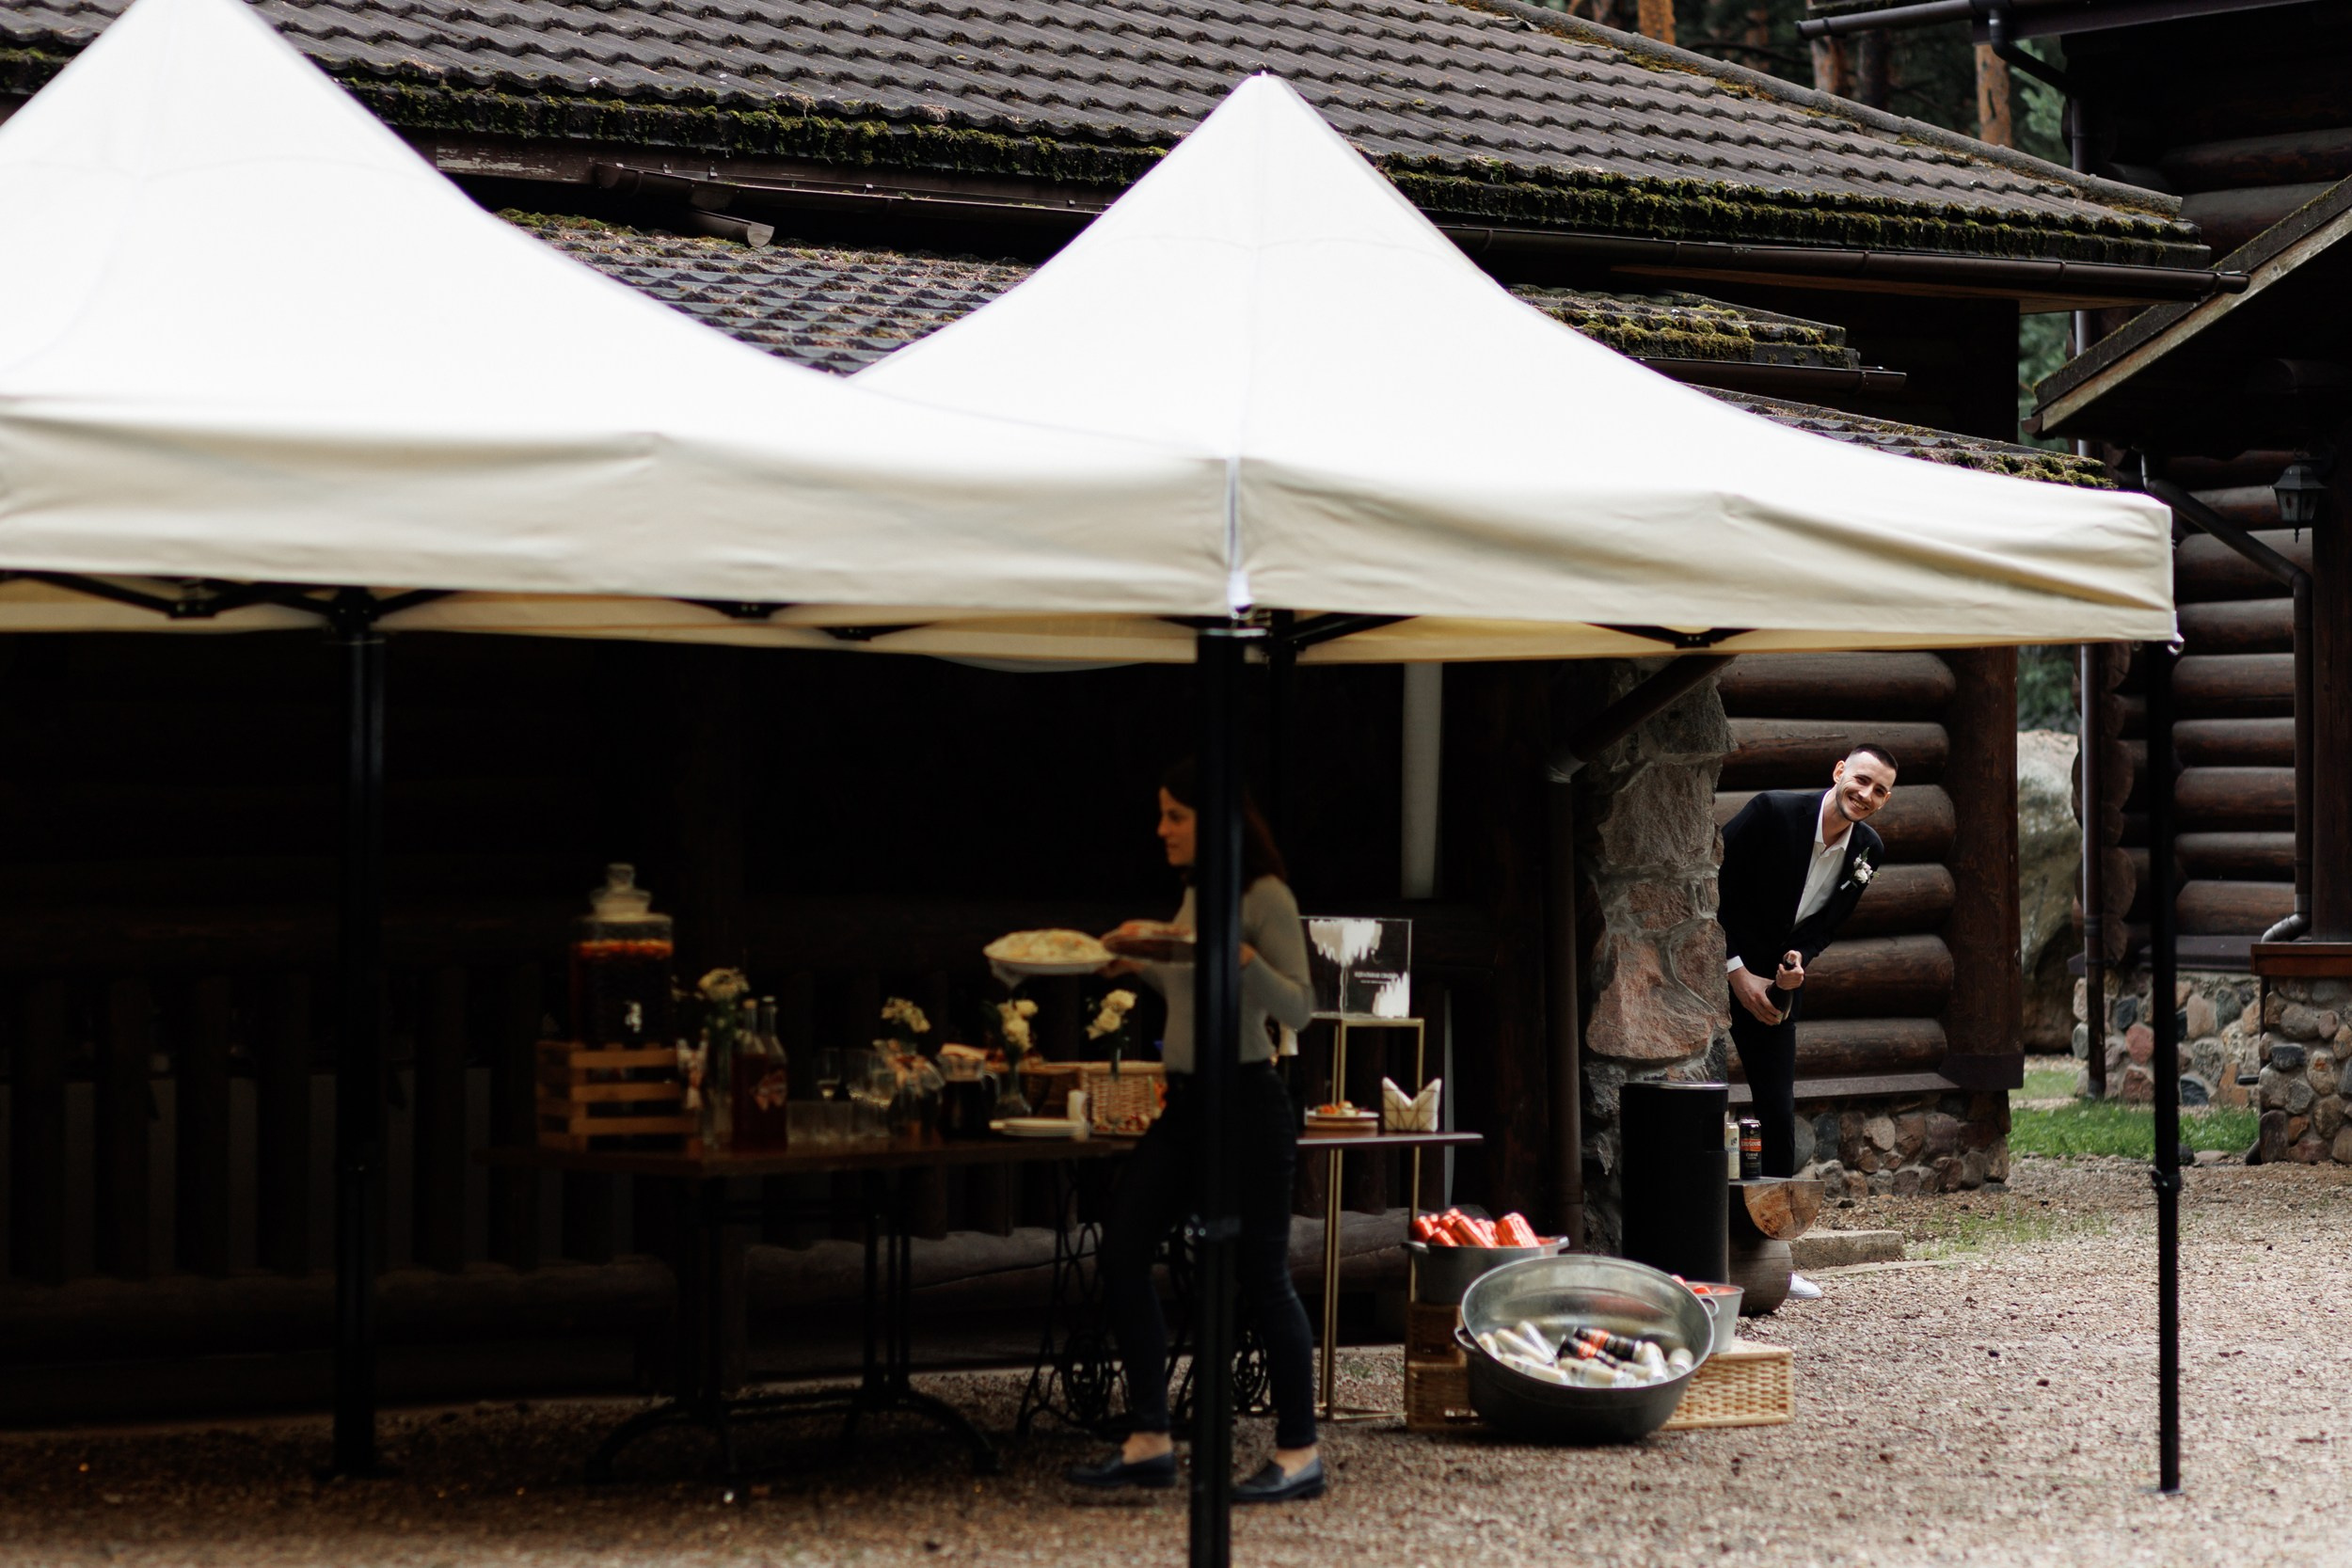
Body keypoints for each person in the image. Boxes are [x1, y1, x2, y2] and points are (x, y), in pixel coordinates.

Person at [1067, 760, 1322, 1503]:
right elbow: (1188, 983)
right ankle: (1150, 1438)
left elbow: (1301, 1007)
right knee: (1120, 1245)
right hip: (1186, 1102)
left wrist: (1245, 961)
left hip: (1247, 1099)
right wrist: (1132, 960)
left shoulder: (1264, 896)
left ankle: (1300, 1452)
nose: (1162, 829)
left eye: (1174, 815)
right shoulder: (1194, 895)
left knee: (1262, 1277)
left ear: (1213, 820)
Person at [1716, 743, 1896, 1299]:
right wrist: (1735, 970)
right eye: (1861, 780)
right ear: (1840, 771)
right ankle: (1697, 1251)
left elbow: (1824, 926)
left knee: (1776, 1114)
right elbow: (1710, 886)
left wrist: (1797, 965)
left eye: (1880, 791)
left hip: (1775, 986)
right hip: (1713, 965)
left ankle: (1763, 1255)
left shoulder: (1869, 849)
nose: (1865, 795)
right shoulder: (1772, 811)